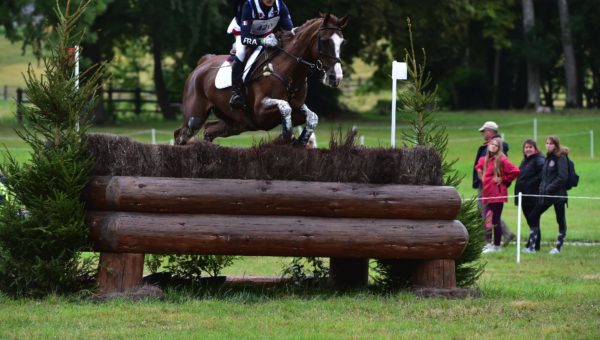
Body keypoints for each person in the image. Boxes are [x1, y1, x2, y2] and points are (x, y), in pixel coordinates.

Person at [227, 0, 294, 110]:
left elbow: (290, 31)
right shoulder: (249, 5)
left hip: (265, 33)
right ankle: (236, 92)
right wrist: (262, 42)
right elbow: (245, 39)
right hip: (243, 33)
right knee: (241, 53)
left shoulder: (280, 5)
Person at [524, 136, 569, 254]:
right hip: (546, 195)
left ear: (556, 145)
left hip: (558, 196)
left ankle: (558, 248)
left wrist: (549, 188)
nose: (548, 145)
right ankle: (532, 247)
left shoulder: (561, 158)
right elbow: (544, 177)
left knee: (560, 220)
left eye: (551, 144)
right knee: (533, 216)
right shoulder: (548, 158)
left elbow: (563, 177)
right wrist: (542, 189)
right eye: (547, 143)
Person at [473, 121, 515, 246]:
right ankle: (505, 234)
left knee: (486, 213)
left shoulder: (496, 146)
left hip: (489, 187)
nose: (483, 134)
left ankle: (488, 242)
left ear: (490, 131)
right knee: (487, 212)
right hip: (484, 184)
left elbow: (506, 168)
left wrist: (502, 179)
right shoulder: (488, 146)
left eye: (484, 131)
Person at [476, 137, 520, 253]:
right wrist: (480, 173)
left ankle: (496, 246)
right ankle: (488, 244)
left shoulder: (501, 160)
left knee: (495, 220)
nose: (493, 146)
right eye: (491, 144)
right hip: (487, 194)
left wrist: (503, 179)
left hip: (497, 195)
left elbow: (515, 171)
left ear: (498, 148)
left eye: (495, 145)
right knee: (487, 219)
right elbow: (478, 166)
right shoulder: (484, 159)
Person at [514, 139, 545, 252]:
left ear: (535, 148)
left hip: (533, 196)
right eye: (526, 147)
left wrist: (531, 183)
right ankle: (532, 245)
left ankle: (533, 247)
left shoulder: (539, 159)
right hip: (524, 196)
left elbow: (543, 174)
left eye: (530, 147)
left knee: (533, 220)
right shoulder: (526, 160)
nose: (528, 149)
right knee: (531, 221)